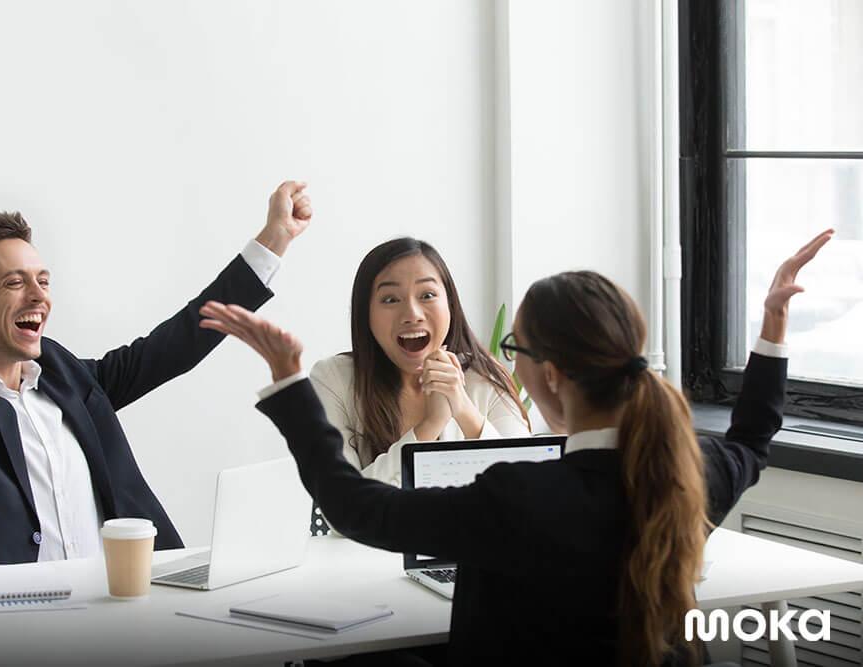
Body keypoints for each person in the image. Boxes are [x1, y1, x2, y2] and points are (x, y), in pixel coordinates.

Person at [198, 228, 833, 666]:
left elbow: (356, 506)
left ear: (548, 376)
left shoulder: (516, 498)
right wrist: (771, 327)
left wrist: (286, 380)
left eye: (517, 349)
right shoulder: (698, 472)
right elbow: (753, 438)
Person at [0, 181, 312, 570]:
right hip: (6, 632)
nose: (38, 296)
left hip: (124, 612)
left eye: (44, 281)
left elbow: (175, 345)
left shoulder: (67, 379)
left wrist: (272, 242)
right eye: (14, 282)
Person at [308, 238, 530, 487]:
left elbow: (525, 488)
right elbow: (342, 505)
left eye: (427, 295)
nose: (412, 314)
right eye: (390, 299)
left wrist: (463, 408)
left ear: (450, 305)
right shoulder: (333, 379)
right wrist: (430, 426)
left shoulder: (485, 377)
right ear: (365, 314)